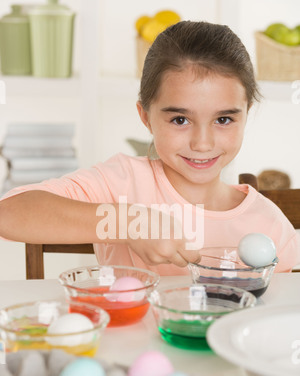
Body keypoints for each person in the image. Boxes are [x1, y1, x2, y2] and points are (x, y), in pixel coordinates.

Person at [0, 21, 299, 274]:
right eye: (180, 119)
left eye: (223, 119)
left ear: (247, 112)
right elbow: (9, 214)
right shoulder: (122, 183)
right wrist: (129, 223)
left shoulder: (269, 224)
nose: (202, 143)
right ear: (146, 116)